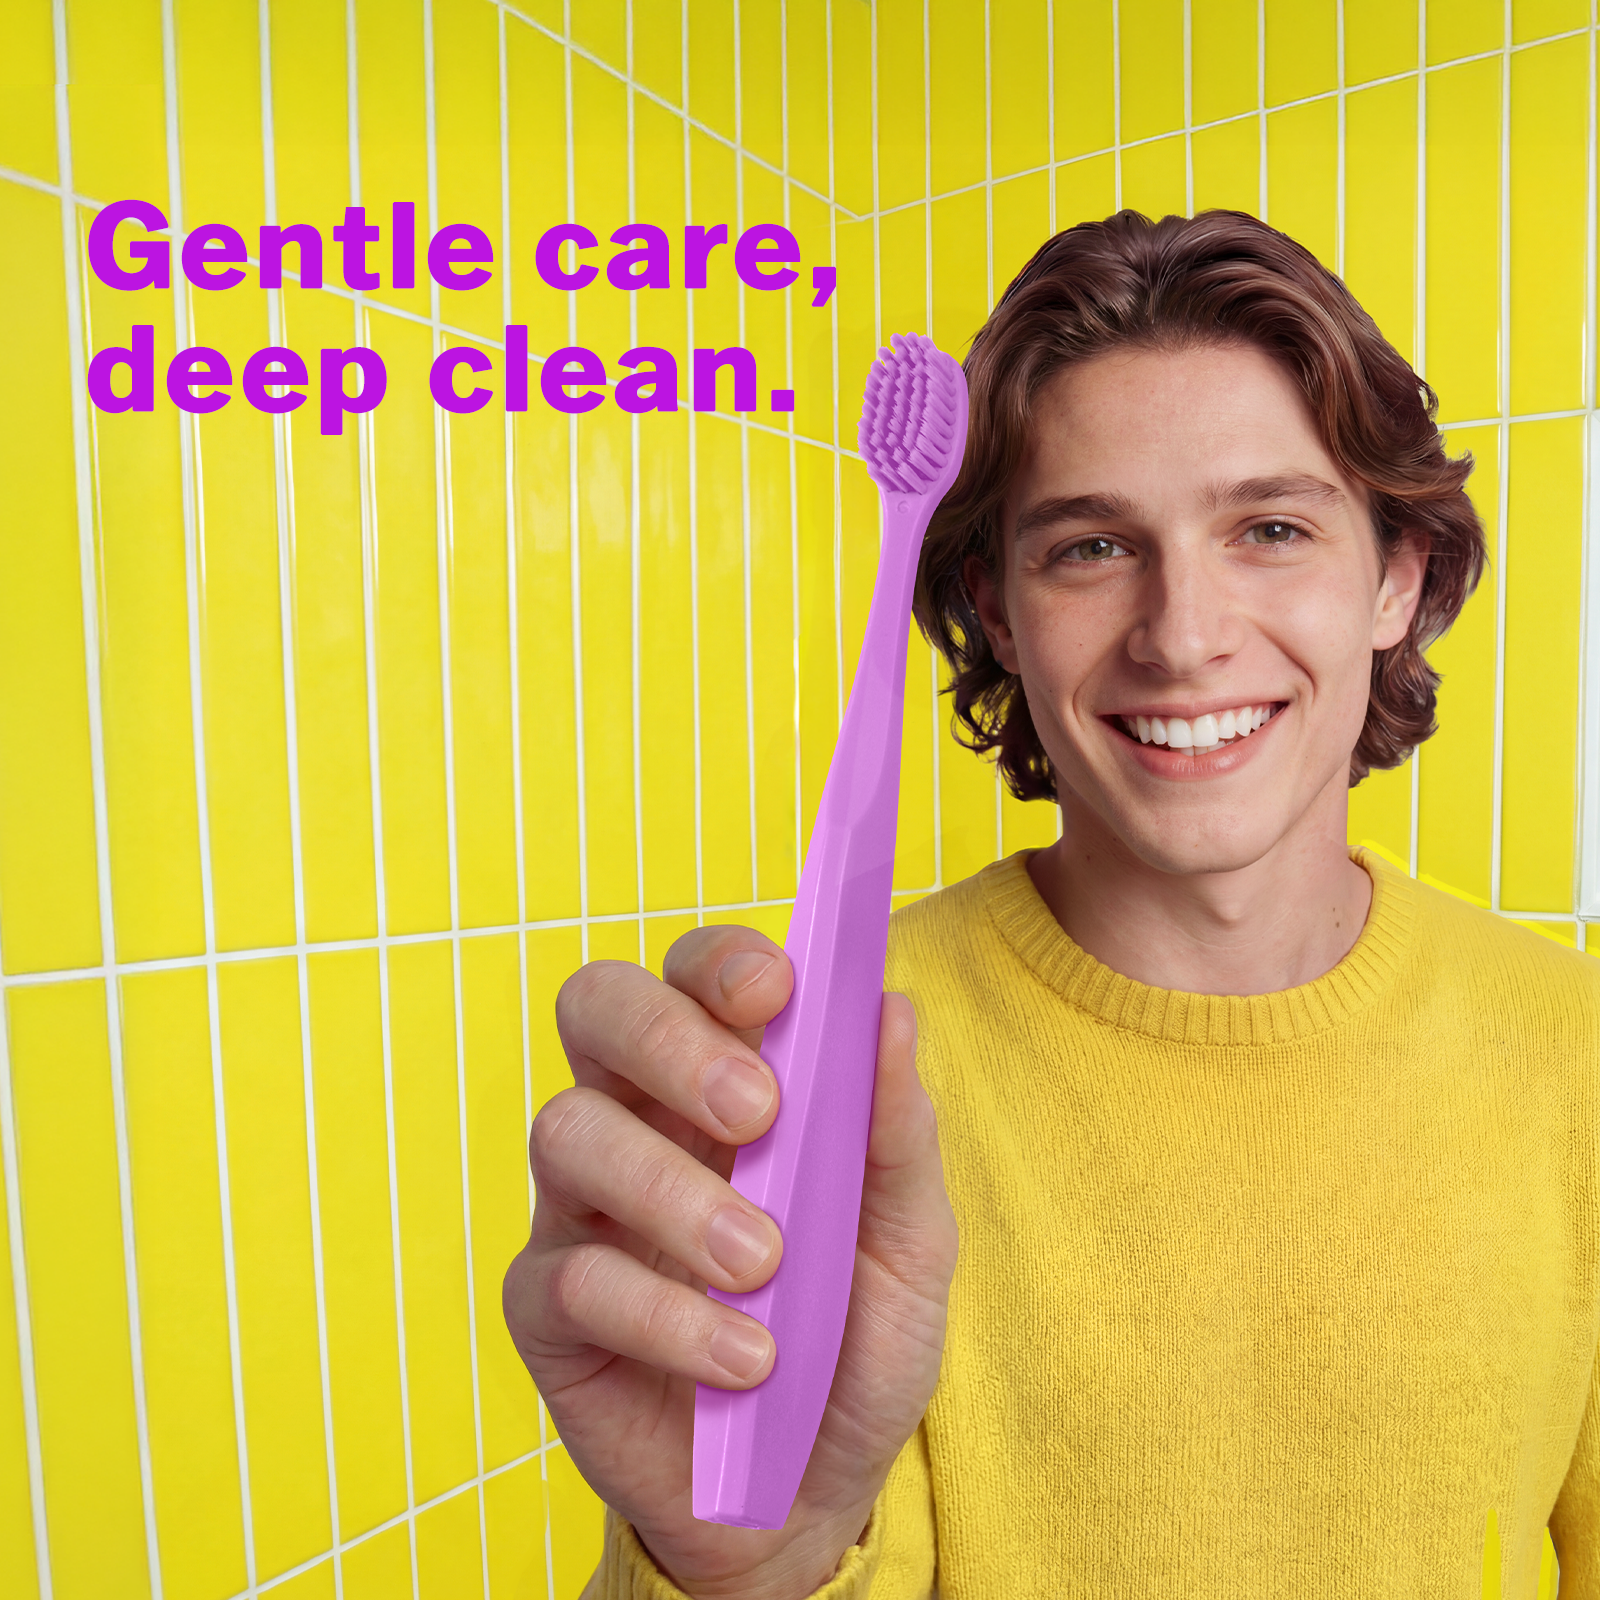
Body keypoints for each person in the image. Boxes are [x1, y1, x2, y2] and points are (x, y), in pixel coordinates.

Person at [502, 210, 1600, 1599]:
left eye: (1271, 529)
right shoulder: (830, 1072)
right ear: (998, 612)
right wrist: (742, 1572)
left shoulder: (1574, 1047)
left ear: (1395, 579)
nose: (1183, 636)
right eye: (1090, 548)